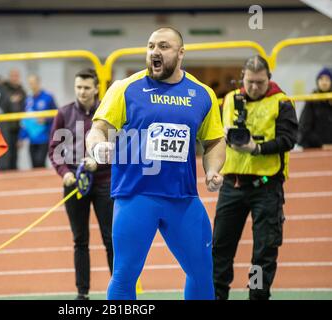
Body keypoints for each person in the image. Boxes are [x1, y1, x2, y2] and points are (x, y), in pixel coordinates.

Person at [86, 27, 226, 300]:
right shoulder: (125, 88)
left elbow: (214, 141)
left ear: (181, 53)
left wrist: (212, 170)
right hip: (135, 197)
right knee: (125, 274)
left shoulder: (202, 94)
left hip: (182, 198)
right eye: (150, 46)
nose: (154, 52)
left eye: (163, 46)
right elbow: (98, 128)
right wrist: (97, 146)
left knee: (201, 271)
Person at [212, 55, 298, 300]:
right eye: (249, 82)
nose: (254, 87)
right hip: (232, 185)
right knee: (220, 247)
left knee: (263, 251)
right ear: (243, 78)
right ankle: (218, 296)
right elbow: (214, 135)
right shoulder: (229, 100)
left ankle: (258, 297)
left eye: (260, 82)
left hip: (266, 186)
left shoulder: (282, 102)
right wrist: (223, 135)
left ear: (269, 79)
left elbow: (289, 140)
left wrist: (257, 149)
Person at [48, 68, 113, 300]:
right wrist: (65, 172)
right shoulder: (64, 113)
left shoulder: (107, 112)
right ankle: (82, 293)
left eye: (86, 88)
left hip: (105, 182)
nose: (82, 92)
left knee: (111, 238)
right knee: (80, 240)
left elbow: (121, 147)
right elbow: (54, 150)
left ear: (96, 88)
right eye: (78, 87)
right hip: (74, 183)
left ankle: (119, 291)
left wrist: (98, 162)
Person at [18, 75, 57, 168]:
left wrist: (45, 120)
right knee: (34, 165)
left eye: (34, 83)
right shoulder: (28, 99)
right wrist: (21, 137)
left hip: (44, 137)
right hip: (32, 139)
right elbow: (25, 120)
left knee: (40, 163)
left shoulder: (48, 97)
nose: (32, 85)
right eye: (30, 83)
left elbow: (57, 114)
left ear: (38, 83)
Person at [298, 67, 332, 149]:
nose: (324, 82)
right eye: (321, 79)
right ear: (317, 82)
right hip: (314, 148)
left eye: (327, 79)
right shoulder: (312, 100)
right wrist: (321, 145)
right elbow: (304, 128)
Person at [2, 68, 27, 169]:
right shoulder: (4, 89)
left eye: (16, 76)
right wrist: (10, 101)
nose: (15, 78)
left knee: (15, 154)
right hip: (5, 127)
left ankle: (13, 172)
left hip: (17, 127)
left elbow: (25, 109)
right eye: (13, 76)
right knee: (5, 153)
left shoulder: (22, 91)